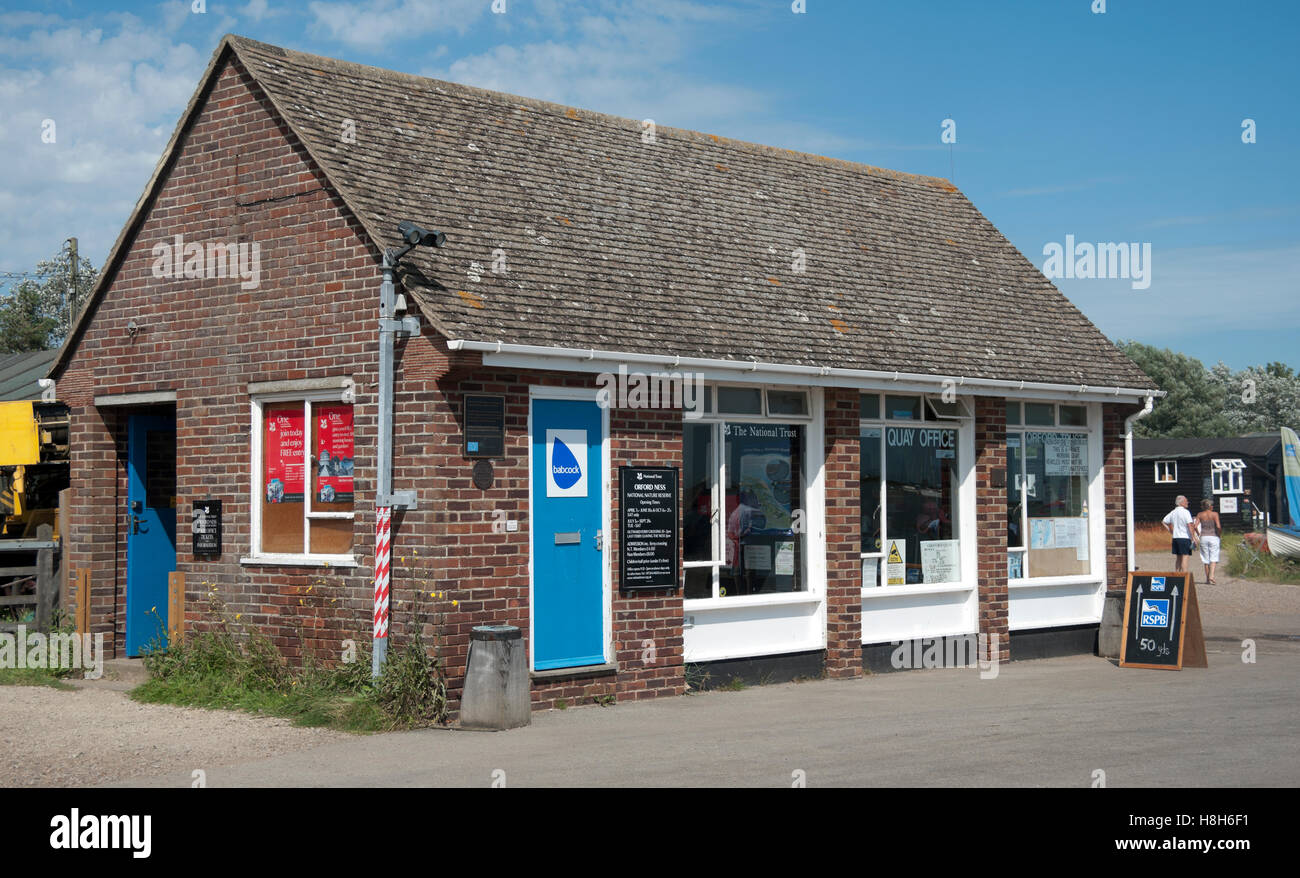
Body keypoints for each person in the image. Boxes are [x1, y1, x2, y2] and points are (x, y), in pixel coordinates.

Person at [1162, 495, 1195, 572]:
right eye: (1186, 501)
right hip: (1185, 537)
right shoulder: (1186, 512)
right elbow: (1190, 525)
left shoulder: (1173, 512)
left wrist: (1171, 531)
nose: (1187, 502)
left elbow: (1164, 521)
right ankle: (1184, 576)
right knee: (1185, 557)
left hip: (1176, 537)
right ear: (1181, 502)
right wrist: (1193, 538)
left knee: (1178, 558)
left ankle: (1177, 575)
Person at [1194, 498, 1223, 585]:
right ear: (1210, 506)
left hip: (1204, 536)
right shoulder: (1214, 514)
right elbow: (1218, 526)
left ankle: (1207, 579)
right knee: (1213, 557)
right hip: (1213, 536)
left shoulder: (1200, 514)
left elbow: (1195, 526)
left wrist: (1199, 534)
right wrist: (1219, 534)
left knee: (1205, 559)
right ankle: (1211, 576)